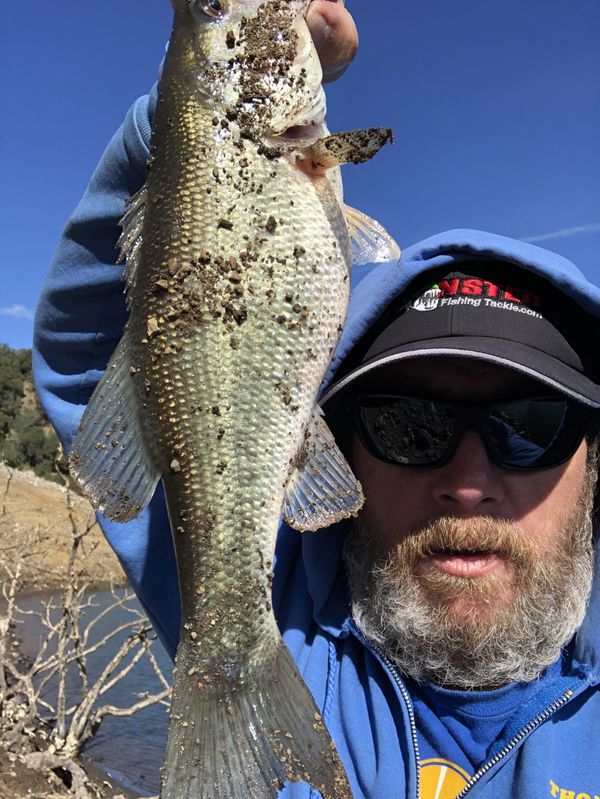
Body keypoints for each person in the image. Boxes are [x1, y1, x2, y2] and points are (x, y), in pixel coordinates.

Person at [33, 6, 600, 799]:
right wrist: (186, 116)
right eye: (410, 424)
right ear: (341, 441)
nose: (468, 479)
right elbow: (86, 364)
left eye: (532, 425)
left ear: (594, 461)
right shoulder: (283, 622)